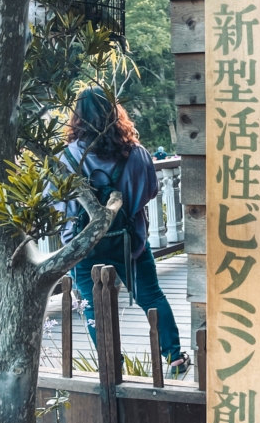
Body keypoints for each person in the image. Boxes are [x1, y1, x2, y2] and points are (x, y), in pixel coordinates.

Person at [61, 87, 190, 374]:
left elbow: (62, 207)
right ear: (114, 112)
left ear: (77, 117)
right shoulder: (136, 153)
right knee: (152, 297)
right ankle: (174, 356)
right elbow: (149, 192)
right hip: (130, 242)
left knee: (95, 310)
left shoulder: (67, 158)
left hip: (84, 247)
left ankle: (111, 364)